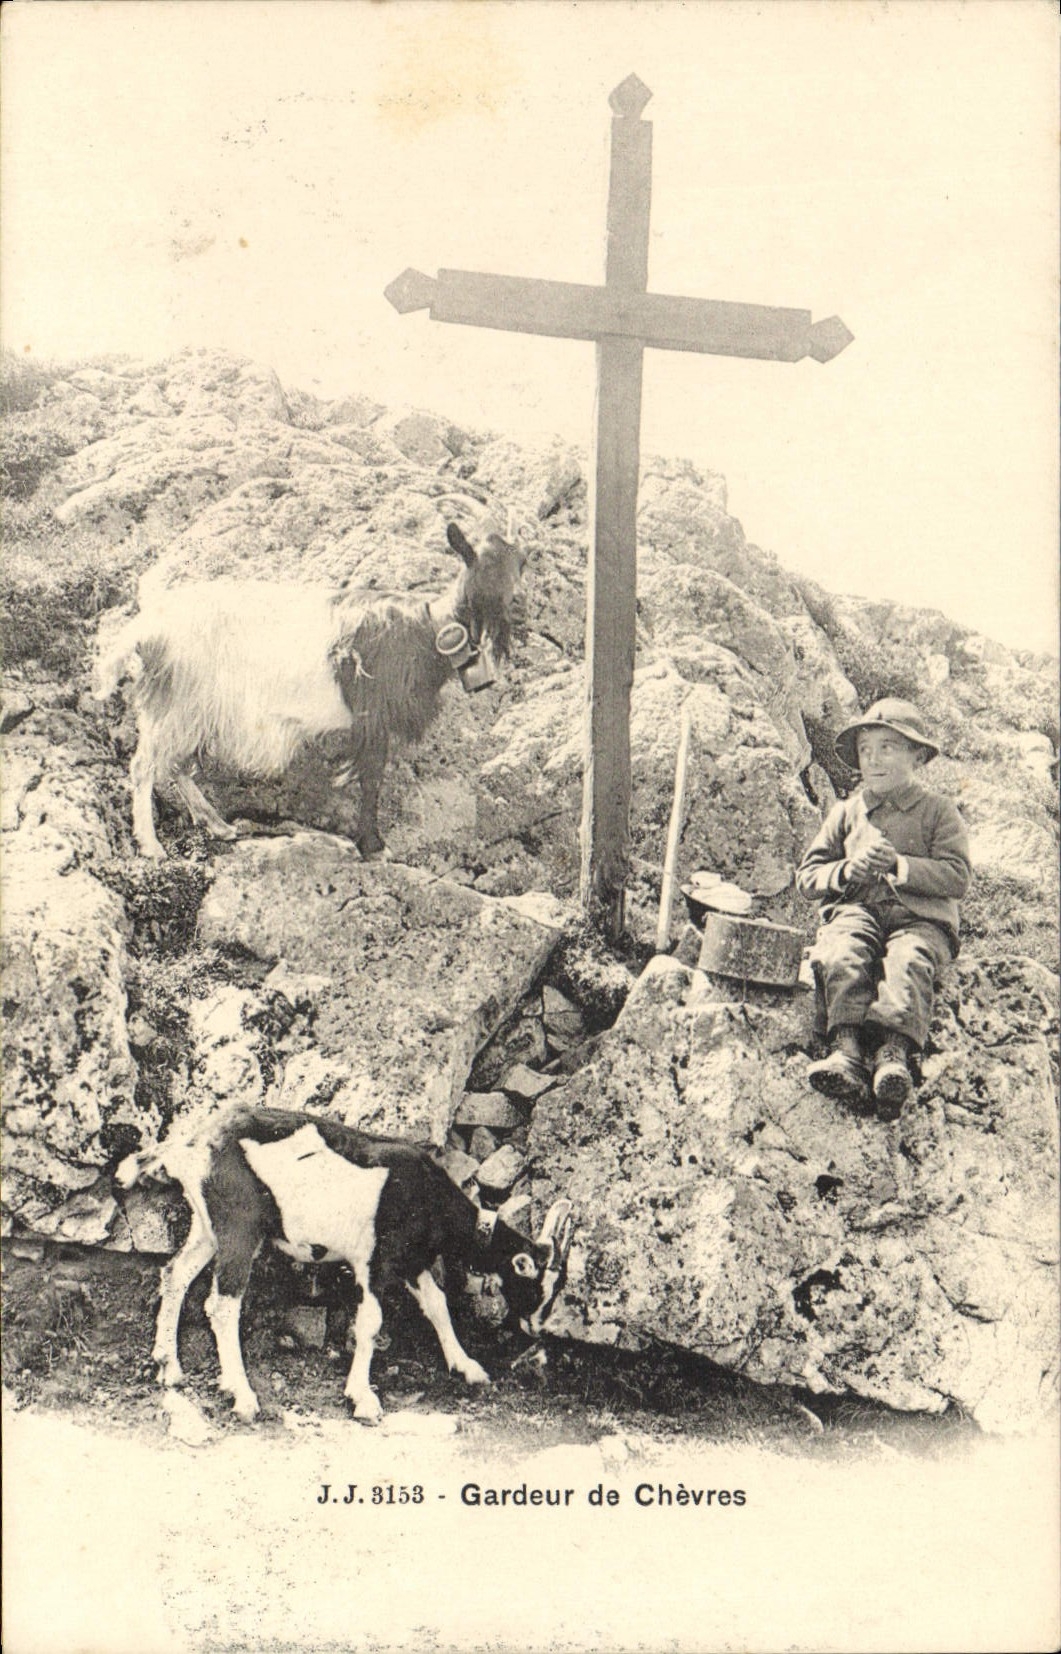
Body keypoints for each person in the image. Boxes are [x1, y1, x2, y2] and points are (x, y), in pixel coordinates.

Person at [796, 698, 972, 1119]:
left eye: (887, 748)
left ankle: (893, 1057)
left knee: (909, 960)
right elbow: (808, 877)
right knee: (841, 951)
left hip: (920, 921)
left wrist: (900, 866)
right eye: (865, 749)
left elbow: (957, 876)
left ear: (918, 756)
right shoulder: (845, 812)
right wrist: (846, 870)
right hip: (857, 911)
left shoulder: (939, 812)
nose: (873, 759)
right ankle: (847, 1050)